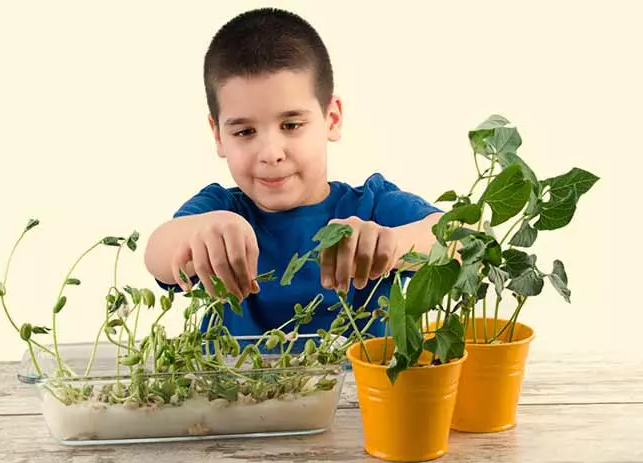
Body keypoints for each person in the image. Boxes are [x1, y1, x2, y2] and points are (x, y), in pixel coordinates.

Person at [144, 7, 443, 337]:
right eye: (244, 132)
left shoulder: (372, 206)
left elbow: (466, 237)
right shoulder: (221, 209)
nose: (271, 153)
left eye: (291, 125)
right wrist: (202, 231)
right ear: (218, 136)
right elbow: (158, 253)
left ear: (332, 118)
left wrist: (395, 245)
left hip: (357, 388)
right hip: (236, 389)